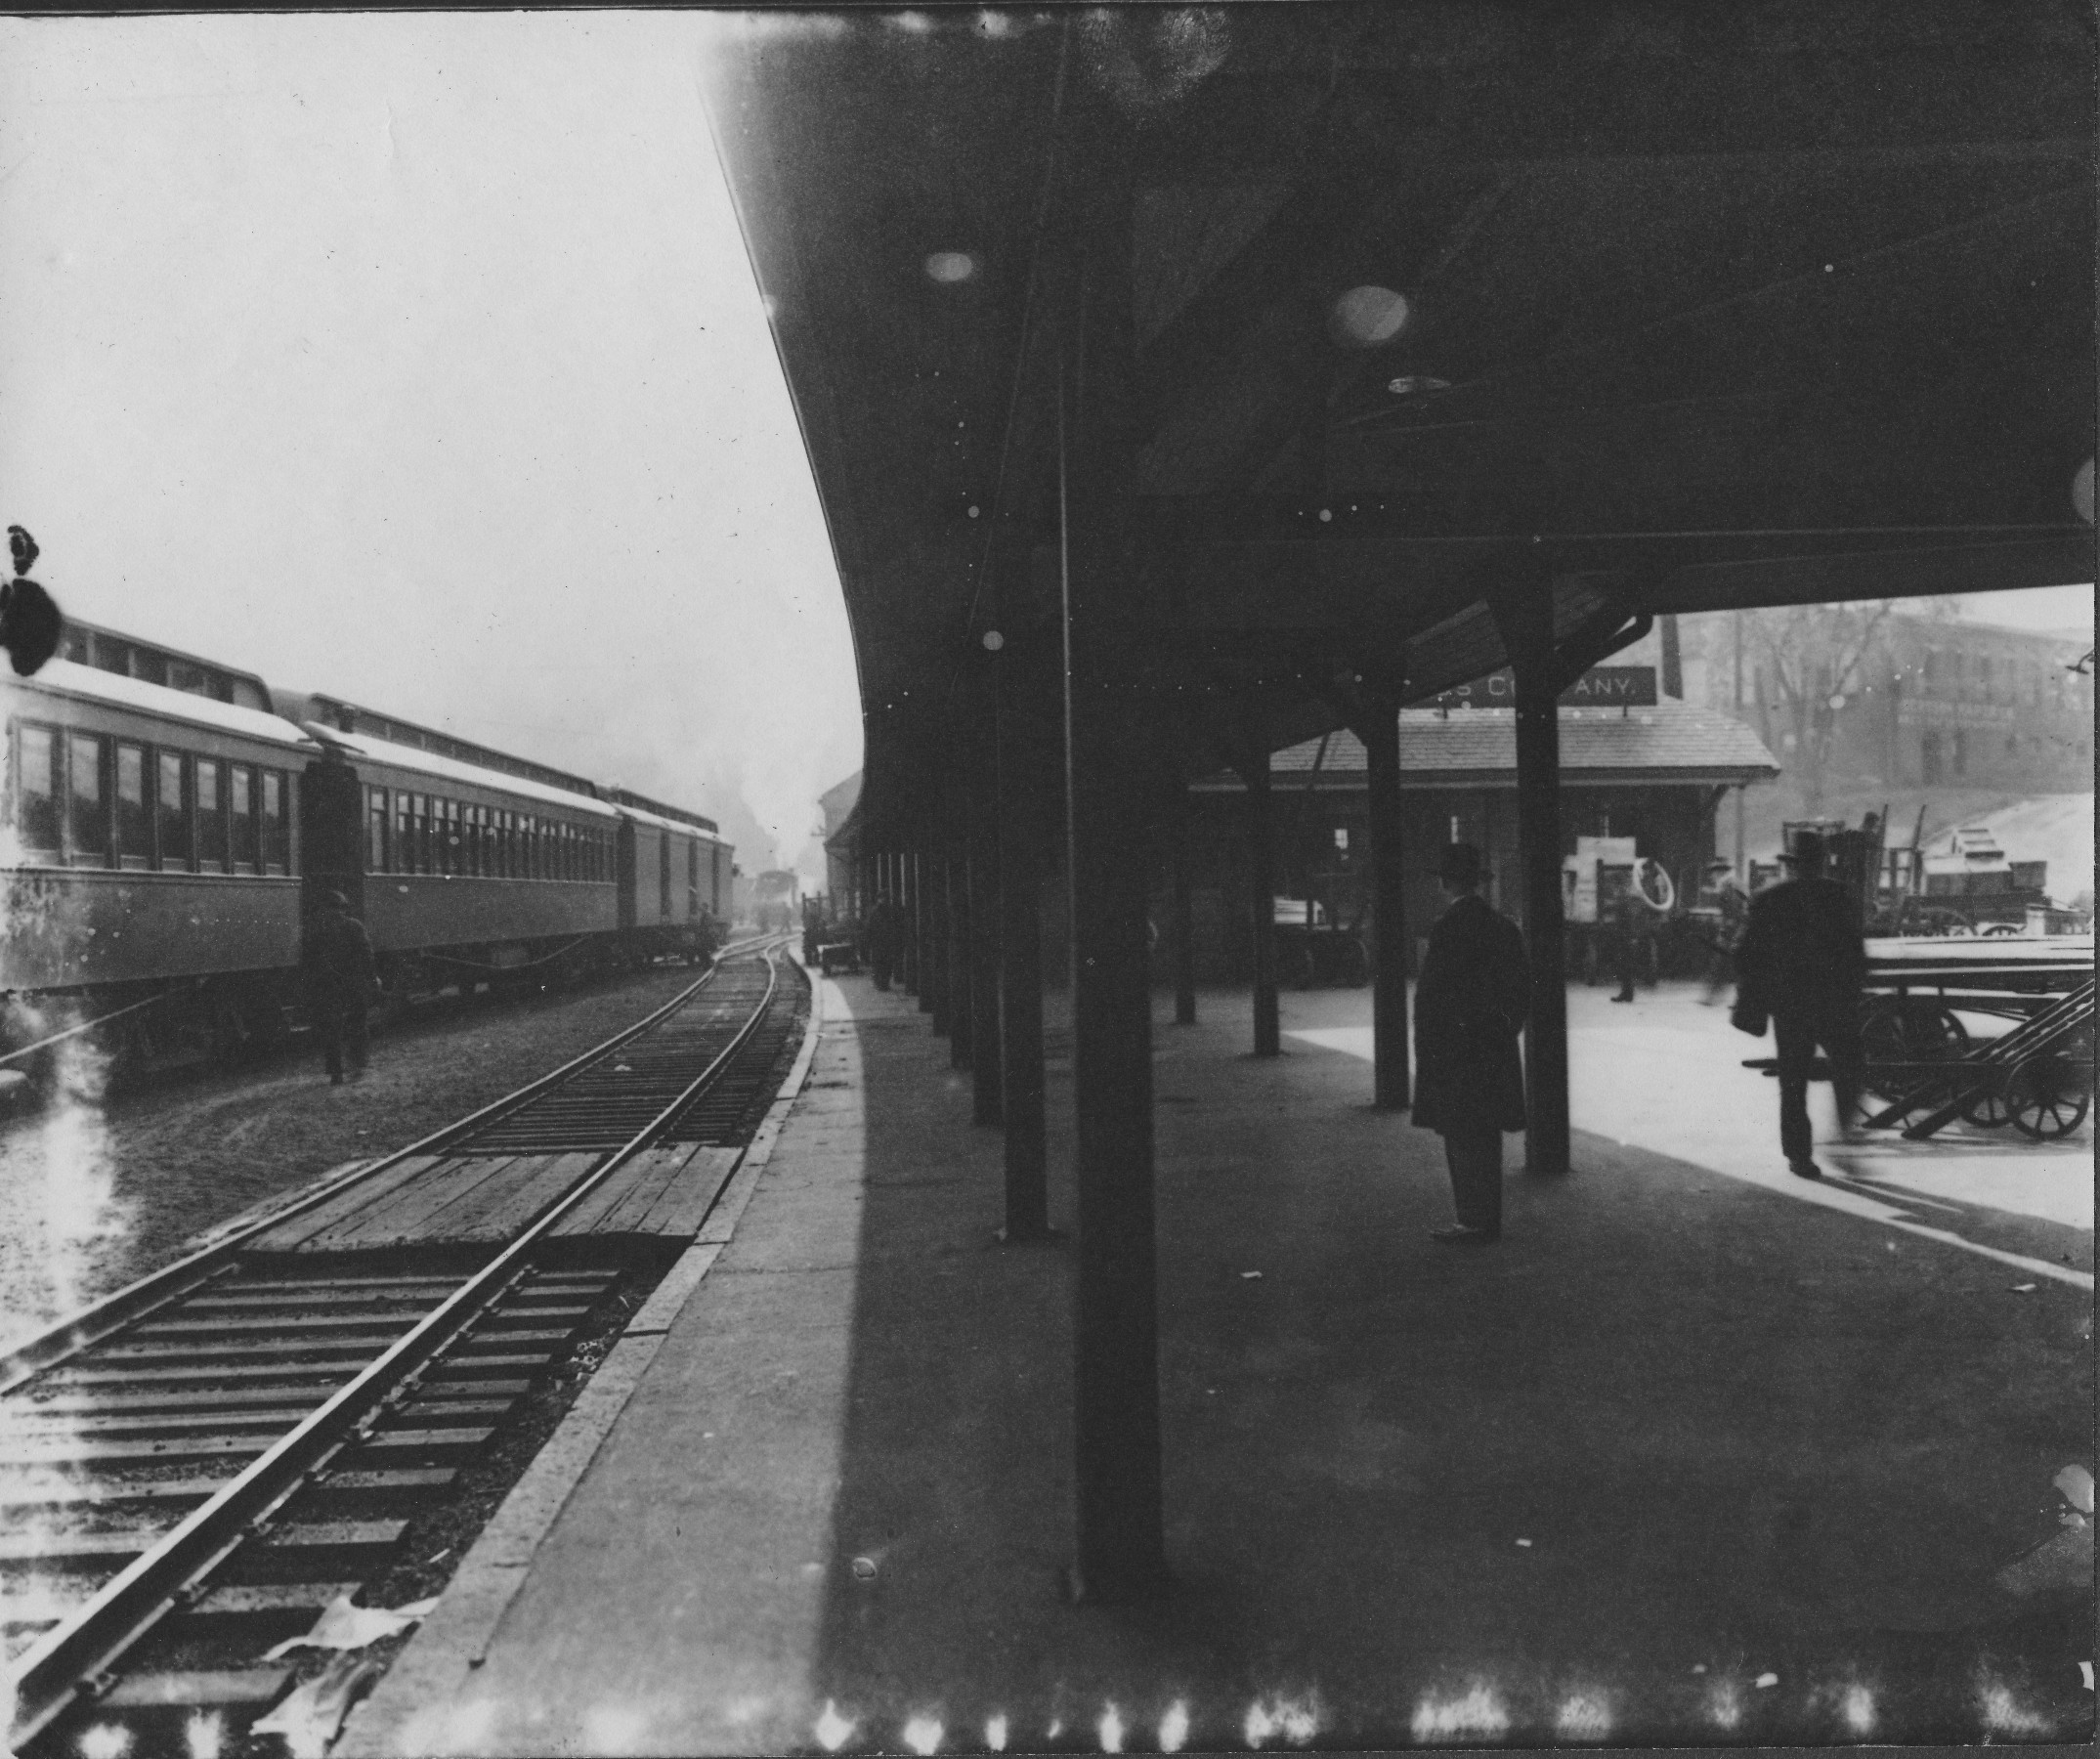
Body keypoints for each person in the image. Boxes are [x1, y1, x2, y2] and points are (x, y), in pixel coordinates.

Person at [1412, 842, 1530, 1245]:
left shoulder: (1447, 928)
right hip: (1492, 1050)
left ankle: (1471, 1220)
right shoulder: (1503, 926)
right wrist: (1501, 1032)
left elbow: (1431, 997)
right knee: (1486, 1136)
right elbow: (1520, 991)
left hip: (1455, 1052)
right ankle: (1486, 1219)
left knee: (1461, 1136)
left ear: (1445, 882)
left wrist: (1431, 1045)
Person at [1733, 830, 1866, 1180]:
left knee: (1793, 1082)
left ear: (1791, 863)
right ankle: (1845, 1133)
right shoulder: (1839, 895)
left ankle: (1799, 1156)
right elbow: (1856, 952)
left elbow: (1745, 954)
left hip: (1790, 1005)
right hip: (1834, 1002)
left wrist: (1761, 992)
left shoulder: (1770, 898)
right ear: (1822, 862)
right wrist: (1852, 992)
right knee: (1850, 1068)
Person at [304, 889, 376, 1085]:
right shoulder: (354, 925)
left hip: (328, 984)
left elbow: (309, 960)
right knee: (358, 1024)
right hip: (353, 983)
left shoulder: (316, 929)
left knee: (331, 1028)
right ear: (343, 908)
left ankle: (335, 1071)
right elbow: (366, 954)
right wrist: (372, 978)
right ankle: (358, 1065)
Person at [1700, 862, 1749, 1004]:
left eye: (1713, 873)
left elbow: (1733, 908)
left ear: (1719, 872)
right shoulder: (1731, 883)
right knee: (1727, 964)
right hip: (1736, 929)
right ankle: (1714, 997)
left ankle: (1712, 997)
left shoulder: (1728, 885)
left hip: (1732, 930)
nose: (1711, 877)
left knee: (1722, 963)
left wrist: (1726, 929)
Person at [863, 891, 903, 991]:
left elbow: (896, 926)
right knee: (879, 963)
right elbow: (868, 927)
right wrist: (869, 940)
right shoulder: (875, 911)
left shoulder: (890, 911)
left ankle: (884, 983)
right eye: (883, 898)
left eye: (886, 898)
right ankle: (880, 983)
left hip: (886, 942)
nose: (884, 900)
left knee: (886, 963)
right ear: (878, 899)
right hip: (878, 942)